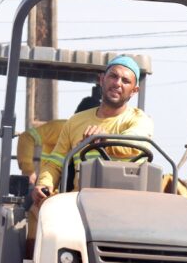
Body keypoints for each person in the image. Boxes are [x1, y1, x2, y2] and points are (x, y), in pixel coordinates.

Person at [32, 56, 152, 204]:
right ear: (101, 80)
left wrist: (105, 139)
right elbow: (55, 163)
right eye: (113, 76)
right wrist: (44, 183)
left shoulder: (140, 120)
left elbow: (133, 147)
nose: (117, 83)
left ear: (134, 91)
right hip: (81, 203)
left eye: (125, 81)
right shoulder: (75, 121)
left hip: (127, 204)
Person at [16, 88, 102, 181]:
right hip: (51, 188)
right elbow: (27, 137)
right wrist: (29, 172)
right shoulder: (62, 127)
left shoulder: (102, 135)